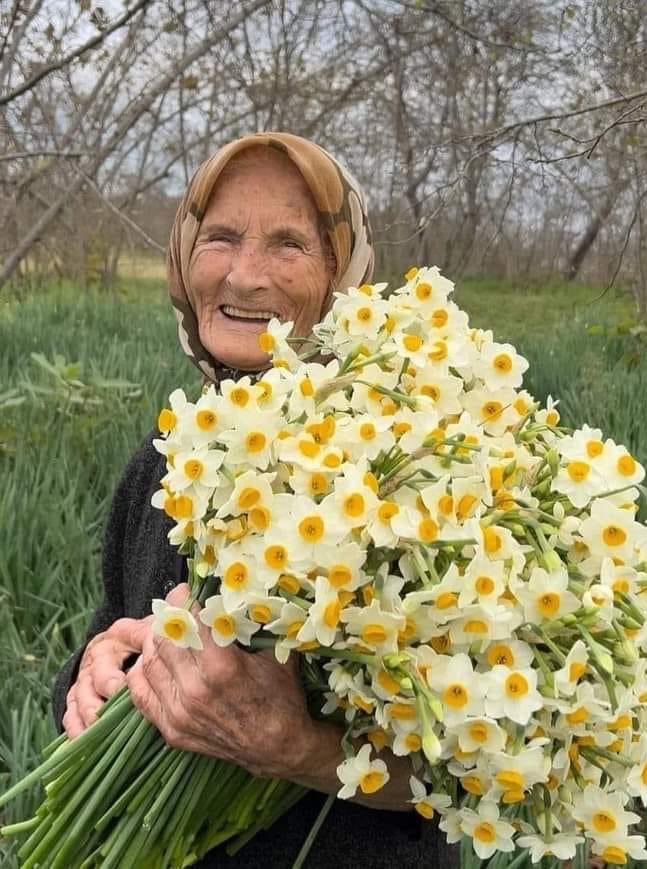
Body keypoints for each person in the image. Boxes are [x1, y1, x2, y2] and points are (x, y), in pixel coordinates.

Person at [53, 132, 458, 869]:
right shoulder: (163, 459)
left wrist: (300, 750)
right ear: (184, 256)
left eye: (289, 244)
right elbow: (109, 629)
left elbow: (469, 767)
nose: (245, 276)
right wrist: (95, 671)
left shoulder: (405, 472)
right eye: (222, 237)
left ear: (343, 272)